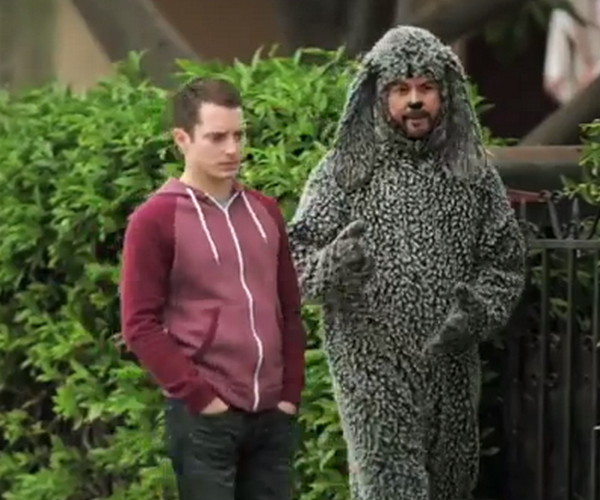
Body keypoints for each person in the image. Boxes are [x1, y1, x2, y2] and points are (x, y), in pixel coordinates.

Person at [287, 26, 527, 500]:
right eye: (400, 89)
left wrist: (477, 313)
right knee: (391, 489)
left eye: (426, 87)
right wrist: (331, 266)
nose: (415, 100)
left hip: (451, 366)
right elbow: (291, 262)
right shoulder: (344, 172)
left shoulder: (474, 176)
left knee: (451, 485)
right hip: (371, 366)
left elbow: (504, 263)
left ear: (445, 93)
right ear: (379, 95)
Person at [119, 77, 306, 500]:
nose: (232, 149)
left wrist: (289, 393)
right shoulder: (155, 219)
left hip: (272, 416)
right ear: (182, 139)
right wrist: (201, 397)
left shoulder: (265, 211)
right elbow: (139, 324)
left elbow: (289, 310)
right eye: (217, 137)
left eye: (239, 135)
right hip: (204, 419)